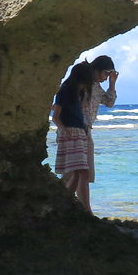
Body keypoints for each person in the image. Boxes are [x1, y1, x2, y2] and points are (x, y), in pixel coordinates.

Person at [53, 61, 97, 211]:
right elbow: (55, 116)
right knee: (83, 171)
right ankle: (87, 210)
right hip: (71, 134)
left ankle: (65, 204)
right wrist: (64, 130)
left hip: (78, 133)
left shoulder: (76, 94)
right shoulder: (64, 91)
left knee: (79, 173)